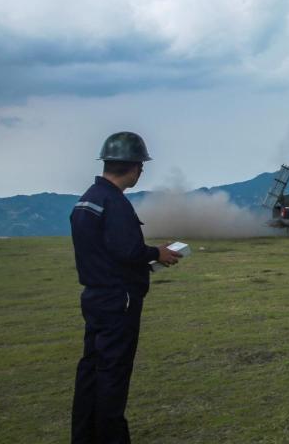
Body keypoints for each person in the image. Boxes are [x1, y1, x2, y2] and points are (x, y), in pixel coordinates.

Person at [71, 131, 183, 443]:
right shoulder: (115, 203)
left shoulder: (87, 201)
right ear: (135, 168)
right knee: (113, 376)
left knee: (91, 372)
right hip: (118, 300)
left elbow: (108, 252)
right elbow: (128, 251)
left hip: (95, 297)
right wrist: (156, 254)